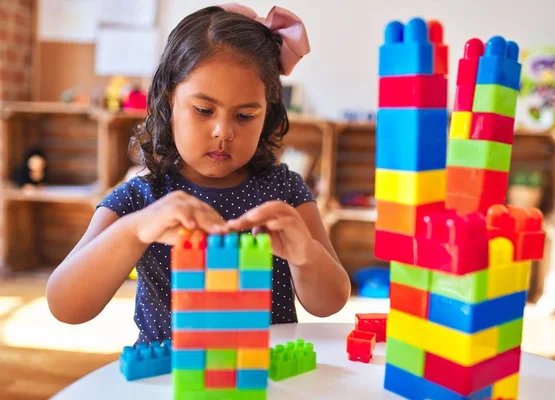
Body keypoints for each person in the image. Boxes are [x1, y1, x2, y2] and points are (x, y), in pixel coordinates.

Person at [46, 4, 351, 345]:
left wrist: (304, 254)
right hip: (171, 380)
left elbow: (330, 304)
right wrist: (133, 231)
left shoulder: (285, 191)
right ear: (168, 102)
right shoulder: (139, 199)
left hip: (262, 380)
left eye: (246, 115)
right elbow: (65, 305)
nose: (223, 131)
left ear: (267, 114)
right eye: (204, 110)